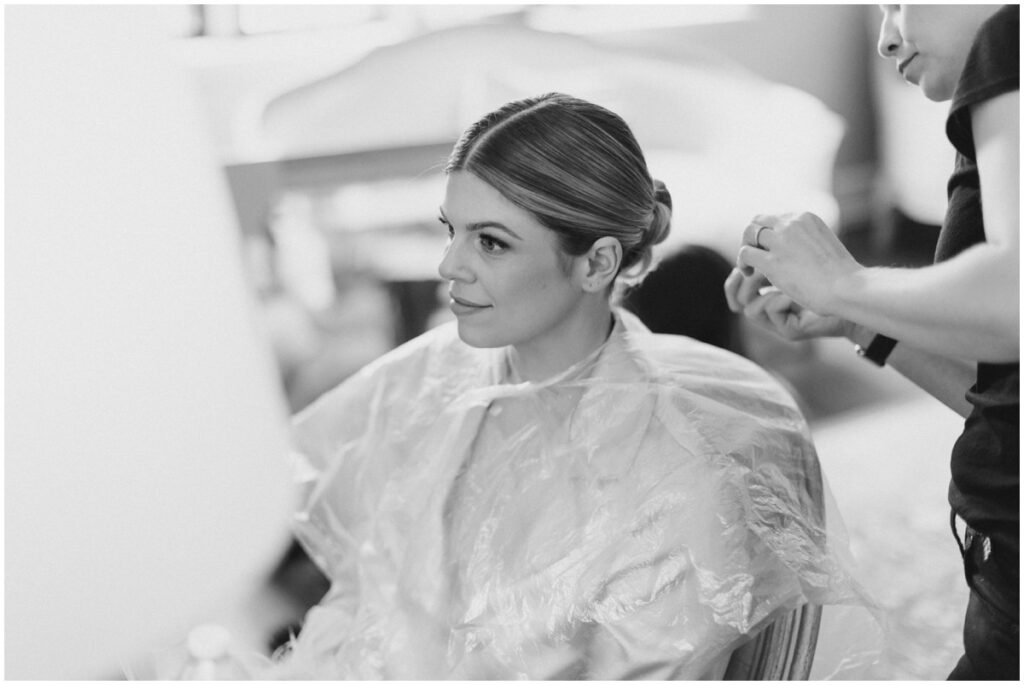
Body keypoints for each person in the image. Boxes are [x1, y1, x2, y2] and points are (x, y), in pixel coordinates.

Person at [267, 93, 874, 679]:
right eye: (449, 229)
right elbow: (362, 595)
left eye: (491, 241)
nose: (449, 265)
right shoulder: (429, 380)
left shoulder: (677, 477)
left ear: (597, 263)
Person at [724, 5, 1018, 680]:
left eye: (896, 0)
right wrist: (862, 320)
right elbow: (1006, 393)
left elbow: (1016, 299)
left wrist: (846, 281)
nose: (886, 37)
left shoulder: (1012, 36)